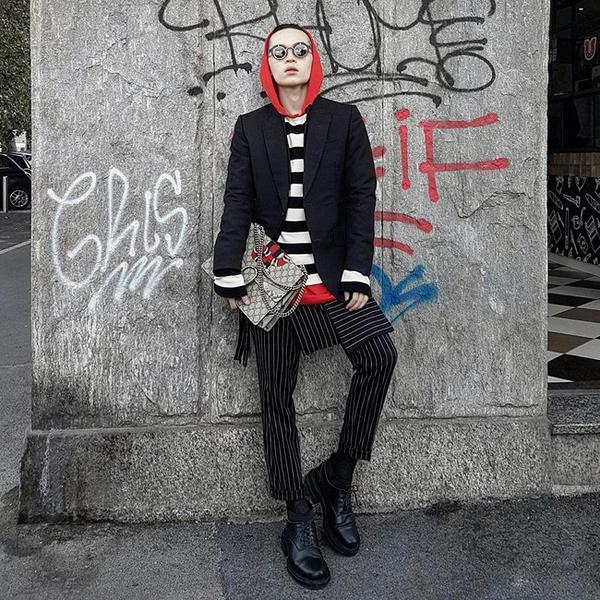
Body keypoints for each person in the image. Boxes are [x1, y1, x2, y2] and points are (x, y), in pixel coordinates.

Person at [211, 23, 398, 589]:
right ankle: (297, 516)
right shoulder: (251, 128)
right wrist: (227, 271)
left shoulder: (343, 121)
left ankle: (336, 478)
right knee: (276, 395)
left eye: (299, 50)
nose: (289, 58)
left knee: (379, 356)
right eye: (278, 52)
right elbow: (237, 201)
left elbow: (361, 196)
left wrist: (358, 270)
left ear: (313, 62)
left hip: (334, 281)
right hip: (275, 289)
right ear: (267, 66)